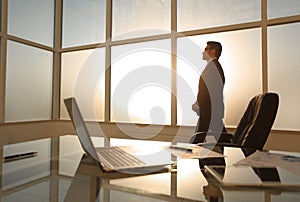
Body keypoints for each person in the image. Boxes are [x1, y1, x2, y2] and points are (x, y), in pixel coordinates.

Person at [192, 41, 226, 135]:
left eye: (206, 49)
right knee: (220, 137)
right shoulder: (212, 67)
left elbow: (211, 91)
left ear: (213, 51)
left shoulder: (214, 68)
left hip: (210, 111)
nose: (203, 52)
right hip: (209, 110)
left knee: (198, 138)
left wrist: (199, 104)